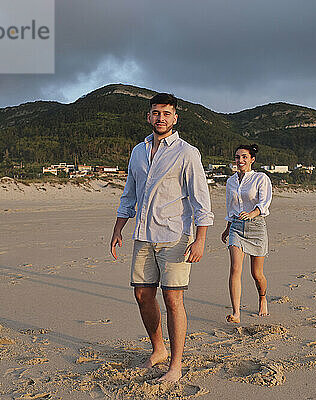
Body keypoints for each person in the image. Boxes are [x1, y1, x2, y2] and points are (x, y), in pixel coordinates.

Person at [110, 93, 213, 383]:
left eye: (166, 114)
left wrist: (200, 238)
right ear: (148, 116)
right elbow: (129, 193)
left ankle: (176, 366)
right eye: (156, 113)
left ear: (175, 118)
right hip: (143, 235)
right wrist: (118, 228)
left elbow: (200, 200)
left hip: (175, 236)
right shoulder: (137, 152)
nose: (161, 118)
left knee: (173, 298)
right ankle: (158, 350)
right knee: (142, 295)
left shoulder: (187, 153)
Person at [221, 144, 272, 323]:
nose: (240, 160)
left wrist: (252, 214)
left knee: (257, 274)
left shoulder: (261, 178)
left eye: (244, 157)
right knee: (235, 269)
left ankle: (262, 298)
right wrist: (227, 228)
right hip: (236, 227)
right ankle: (236, 312)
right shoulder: (230, 181)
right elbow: (231, 206)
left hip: (256, 227)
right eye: (237, 157)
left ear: (252, 159)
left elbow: (265, 203)